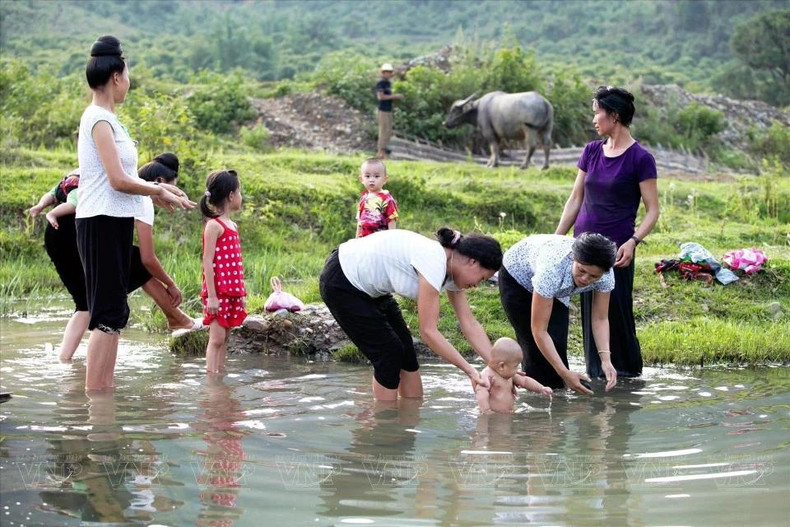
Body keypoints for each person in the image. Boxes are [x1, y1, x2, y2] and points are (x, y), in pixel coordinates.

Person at [76, 35, 193, 391]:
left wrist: (158, 191)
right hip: (99, 222)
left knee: (114, 312)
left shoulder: (111, 120)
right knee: (106, 314)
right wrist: (157, 189)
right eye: (127, 75)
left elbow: (125, 178)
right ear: (116, 77)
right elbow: (116, 180)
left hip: (113, 221)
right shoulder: (99, 119)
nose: (128, 81)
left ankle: (104, 394)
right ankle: (97, 400)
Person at [28, 157, 200, 362]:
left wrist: (42, 206)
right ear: (160, 183)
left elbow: (58, 192)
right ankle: (176, 318)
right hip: (76, 232)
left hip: (55, 234)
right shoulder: (142, 198)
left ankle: (64, 362)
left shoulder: (106, 175)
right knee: (131, 266)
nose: (172, 201)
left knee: (85, 303)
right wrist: (171, 284)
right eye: (173, 193)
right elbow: (148, 258)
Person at [319, 227, 503, 401]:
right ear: (473, 262)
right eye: (482, 278)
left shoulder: (453, 270)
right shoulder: (434, 261)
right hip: (342, 280)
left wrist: (499, 368)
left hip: (372, 289)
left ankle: (411, 415)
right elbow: (428, 331)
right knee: (389, 353)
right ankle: (384, 419)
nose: (477, 285)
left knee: (406, 350)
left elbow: (469, 323)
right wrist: (470, 371)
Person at [555, 86, 659, 380]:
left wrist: (633, 241)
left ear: (614, 115)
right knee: (591, 314)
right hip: (583, 248)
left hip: (617, 251)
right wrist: (557, 238)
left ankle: (626, 375)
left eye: (597, 112)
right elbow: (575, 199)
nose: (594, 119)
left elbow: (653, 210)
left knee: (617, 312)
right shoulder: (591, 151)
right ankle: (597, 373)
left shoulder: (641, 158)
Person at [498, 233, 618, 395]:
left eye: (593, 276)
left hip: (557, 287)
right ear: (573, 258)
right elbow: (539, 331)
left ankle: (559, 394)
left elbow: (600, 318)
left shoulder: (606, 275)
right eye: (581, 270)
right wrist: (564, 373)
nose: (585, 279)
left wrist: (606, 360)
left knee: (557, 345)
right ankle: (538, 401)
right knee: (535, 351)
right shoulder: (552, 270)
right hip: (518, 277)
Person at [199, 169, 247, 373]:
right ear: (231, 195)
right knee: (217, 338)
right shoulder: (214, 225)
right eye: (239, 192)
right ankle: (212, 381)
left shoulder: (232, 225)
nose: (241, 197)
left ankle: (219, 375)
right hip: (218, 292)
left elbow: (236, 263)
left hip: (232, 292)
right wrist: (211, 296)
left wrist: (241, 293)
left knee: (225, 337)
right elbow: (207, 261)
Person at [475, 337, 552, 414]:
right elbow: (481, 392)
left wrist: (541, 388)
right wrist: (486, 410)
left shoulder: (509, 375)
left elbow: (525, 381)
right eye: (516, 366)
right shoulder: (488, 376)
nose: (517, 370)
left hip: (508, 413)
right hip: (494, 415)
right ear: (502, 366)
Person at [356, 158, 399, 238]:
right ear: (361, 179)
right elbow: (360, 222)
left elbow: (391, 219)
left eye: (376, 176)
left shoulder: (387, 199)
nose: (371, 180)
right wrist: (356, 239)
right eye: (367, 176)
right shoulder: (364, 199)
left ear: (385, 179)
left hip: (380, 239)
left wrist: (391, 238)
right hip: (364, 239)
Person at [375, 63, 403, 159]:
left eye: (390, 72)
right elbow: (381, 97)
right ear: (383, 73)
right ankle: (380, 152)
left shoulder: (388, 83)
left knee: (388, 131)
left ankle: (384, 152)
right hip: (383, 109)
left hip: (388, 109)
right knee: (383, 130)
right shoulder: (381, 83)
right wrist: (394, 96)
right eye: (388, 72)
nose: (390, 74)